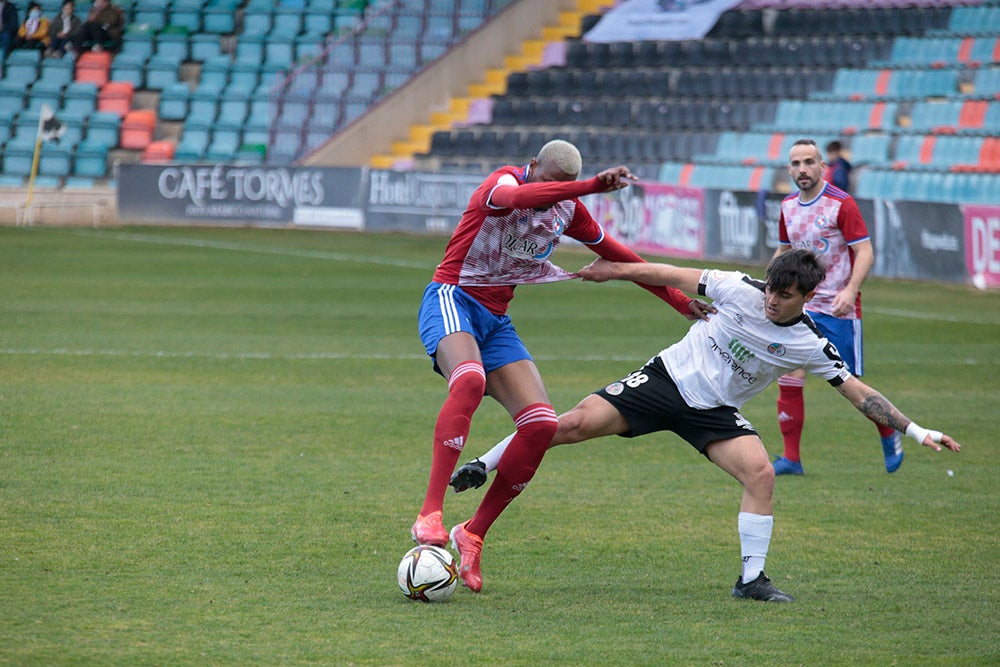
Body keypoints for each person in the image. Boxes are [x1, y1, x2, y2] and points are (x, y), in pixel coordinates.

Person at [447, 249, 961, 600]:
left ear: (806, 297)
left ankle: (751, 579)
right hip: (665, 380)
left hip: (713, 413)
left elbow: (858, 391)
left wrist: (917, 430)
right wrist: (616, 271)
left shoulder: (809, 342)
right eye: (772, 289)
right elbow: (670, 273)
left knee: (759, 473)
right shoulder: (739, 288)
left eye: (784, 296)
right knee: (570, 424)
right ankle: (482, 462)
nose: (772, 300)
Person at [410, 139, 715, 550]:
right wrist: (589, 186)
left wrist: (678, 300)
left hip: (496, 320)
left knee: (540, 425)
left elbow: (621, 257)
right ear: (532, 165)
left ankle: (473, 534)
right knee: (468, 381)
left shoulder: (566, 208)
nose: (553, 195)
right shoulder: (500, 184)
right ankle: (430, 513)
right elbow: (521, 196)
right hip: (452, 297)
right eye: (552, 183)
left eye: (564, 186)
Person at [771, 138, 899, 477]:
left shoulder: (841, 204)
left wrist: (850, 290)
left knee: (849, 384)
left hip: (838, 309)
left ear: (821, 166)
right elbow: (783, 252)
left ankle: (887, 429)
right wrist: (769, 288)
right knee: (788, 374)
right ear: (789, 169)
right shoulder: (787, 207)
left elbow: (866, 251)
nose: (802, 169)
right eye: (796, 164)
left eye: (809, 162)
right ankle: (791, 458)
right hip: (801, 308)